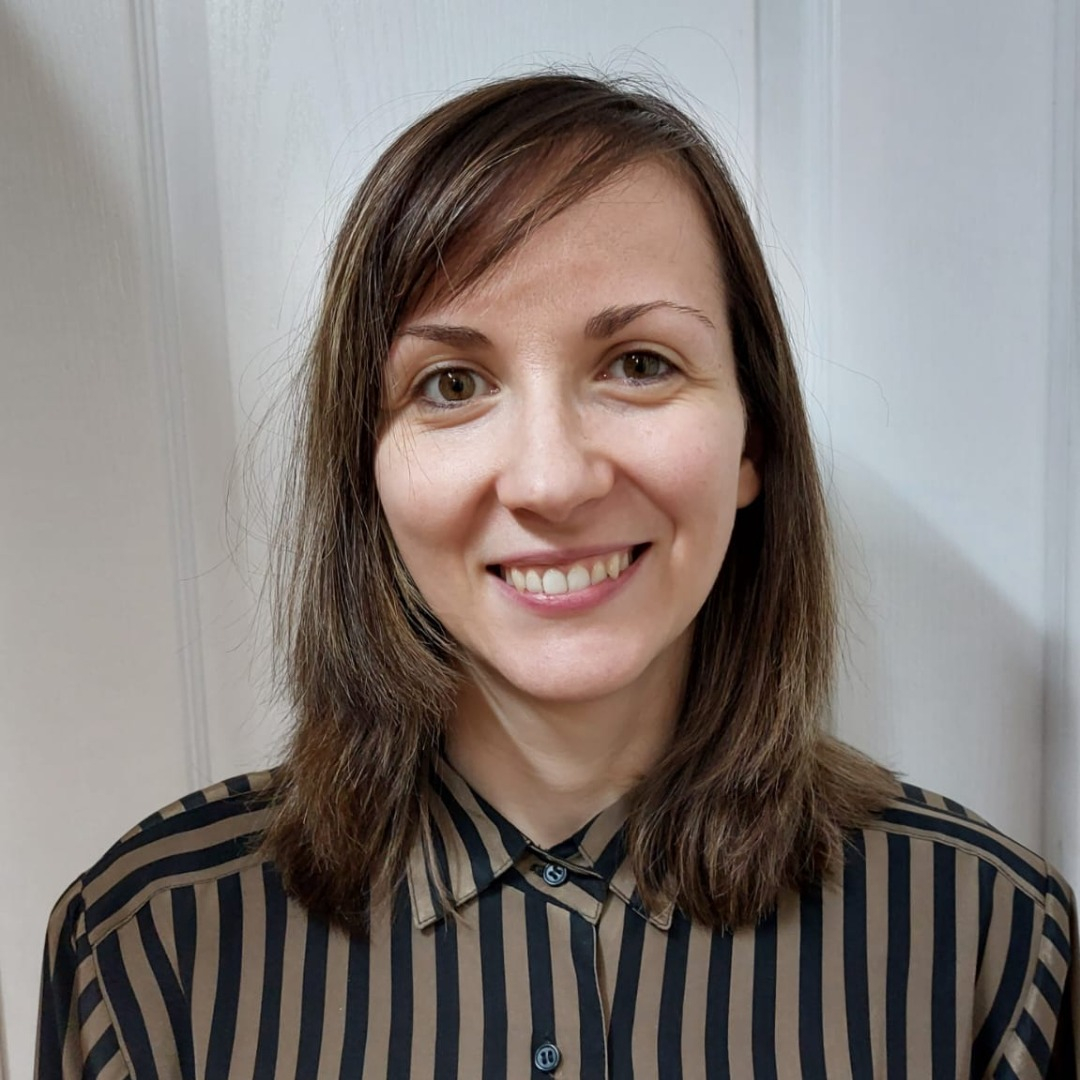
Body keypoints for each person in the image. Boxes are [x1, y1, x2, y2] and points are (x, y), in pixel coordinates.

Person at [36, 72, 1078, 1079]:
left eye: (640, 364)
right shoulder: (145, 955)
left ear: (752, 440)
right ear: (368, 469)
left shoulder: (992, 947)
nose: (552, 480)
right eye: (452, 384)